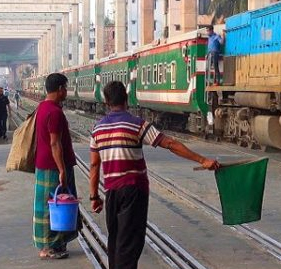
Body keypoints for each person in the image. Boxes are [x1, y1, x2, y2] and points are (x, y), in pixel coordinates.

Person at [89, 81, 220, 269]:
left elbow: (94, 164)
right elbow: (170, 144)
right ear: (126, 99)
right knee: (130, 243)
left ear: (107, 102)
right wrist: (202, 160)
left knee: (116, 241)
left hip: (112, 192)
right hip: (134, 191)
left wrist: (94, 196)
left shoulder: (97, 129)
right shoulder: (138, 125)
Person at [33, 73, 78, 260]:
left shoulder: (42, 107)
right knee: (57, 205)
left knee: (46, 206)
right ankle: (49, 247)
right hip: (53, 166)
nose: (66, 92)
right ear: (60, 89)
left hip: (43, 164)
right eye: (65, 88)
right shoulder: (55, 112)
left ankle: (52, 244)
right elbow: (55, 143)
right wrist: (61, 169)